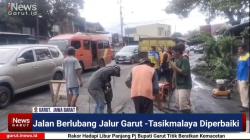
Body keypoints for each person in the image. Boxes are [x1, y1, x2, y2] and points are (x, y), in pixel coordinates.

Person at [169, 43, 192, 113]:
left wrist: (173, 66)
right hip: (178, 85)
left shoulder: (185, 60)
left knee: (183, 106)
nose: (172, 54)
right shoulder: (176, 60)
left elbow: (184, 72)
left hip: (185, 85)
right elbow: (175, 72)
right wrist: (173, 82)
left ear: (178, 52)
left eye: (173, 52)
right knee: (178, 105)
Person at [237, 44, 249, 112]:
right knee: (241, 91)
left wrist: (248, 78)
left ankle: (245, 106)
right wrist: (237, 77)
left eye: (240, 49)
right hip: (240, 77)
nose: (238, 50)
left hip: (245, 77)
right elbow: (239, 68)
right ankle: (243, 104)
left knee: (244, 92)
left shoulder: (248, 56)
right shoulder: (240, 57)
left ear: (243, 49)